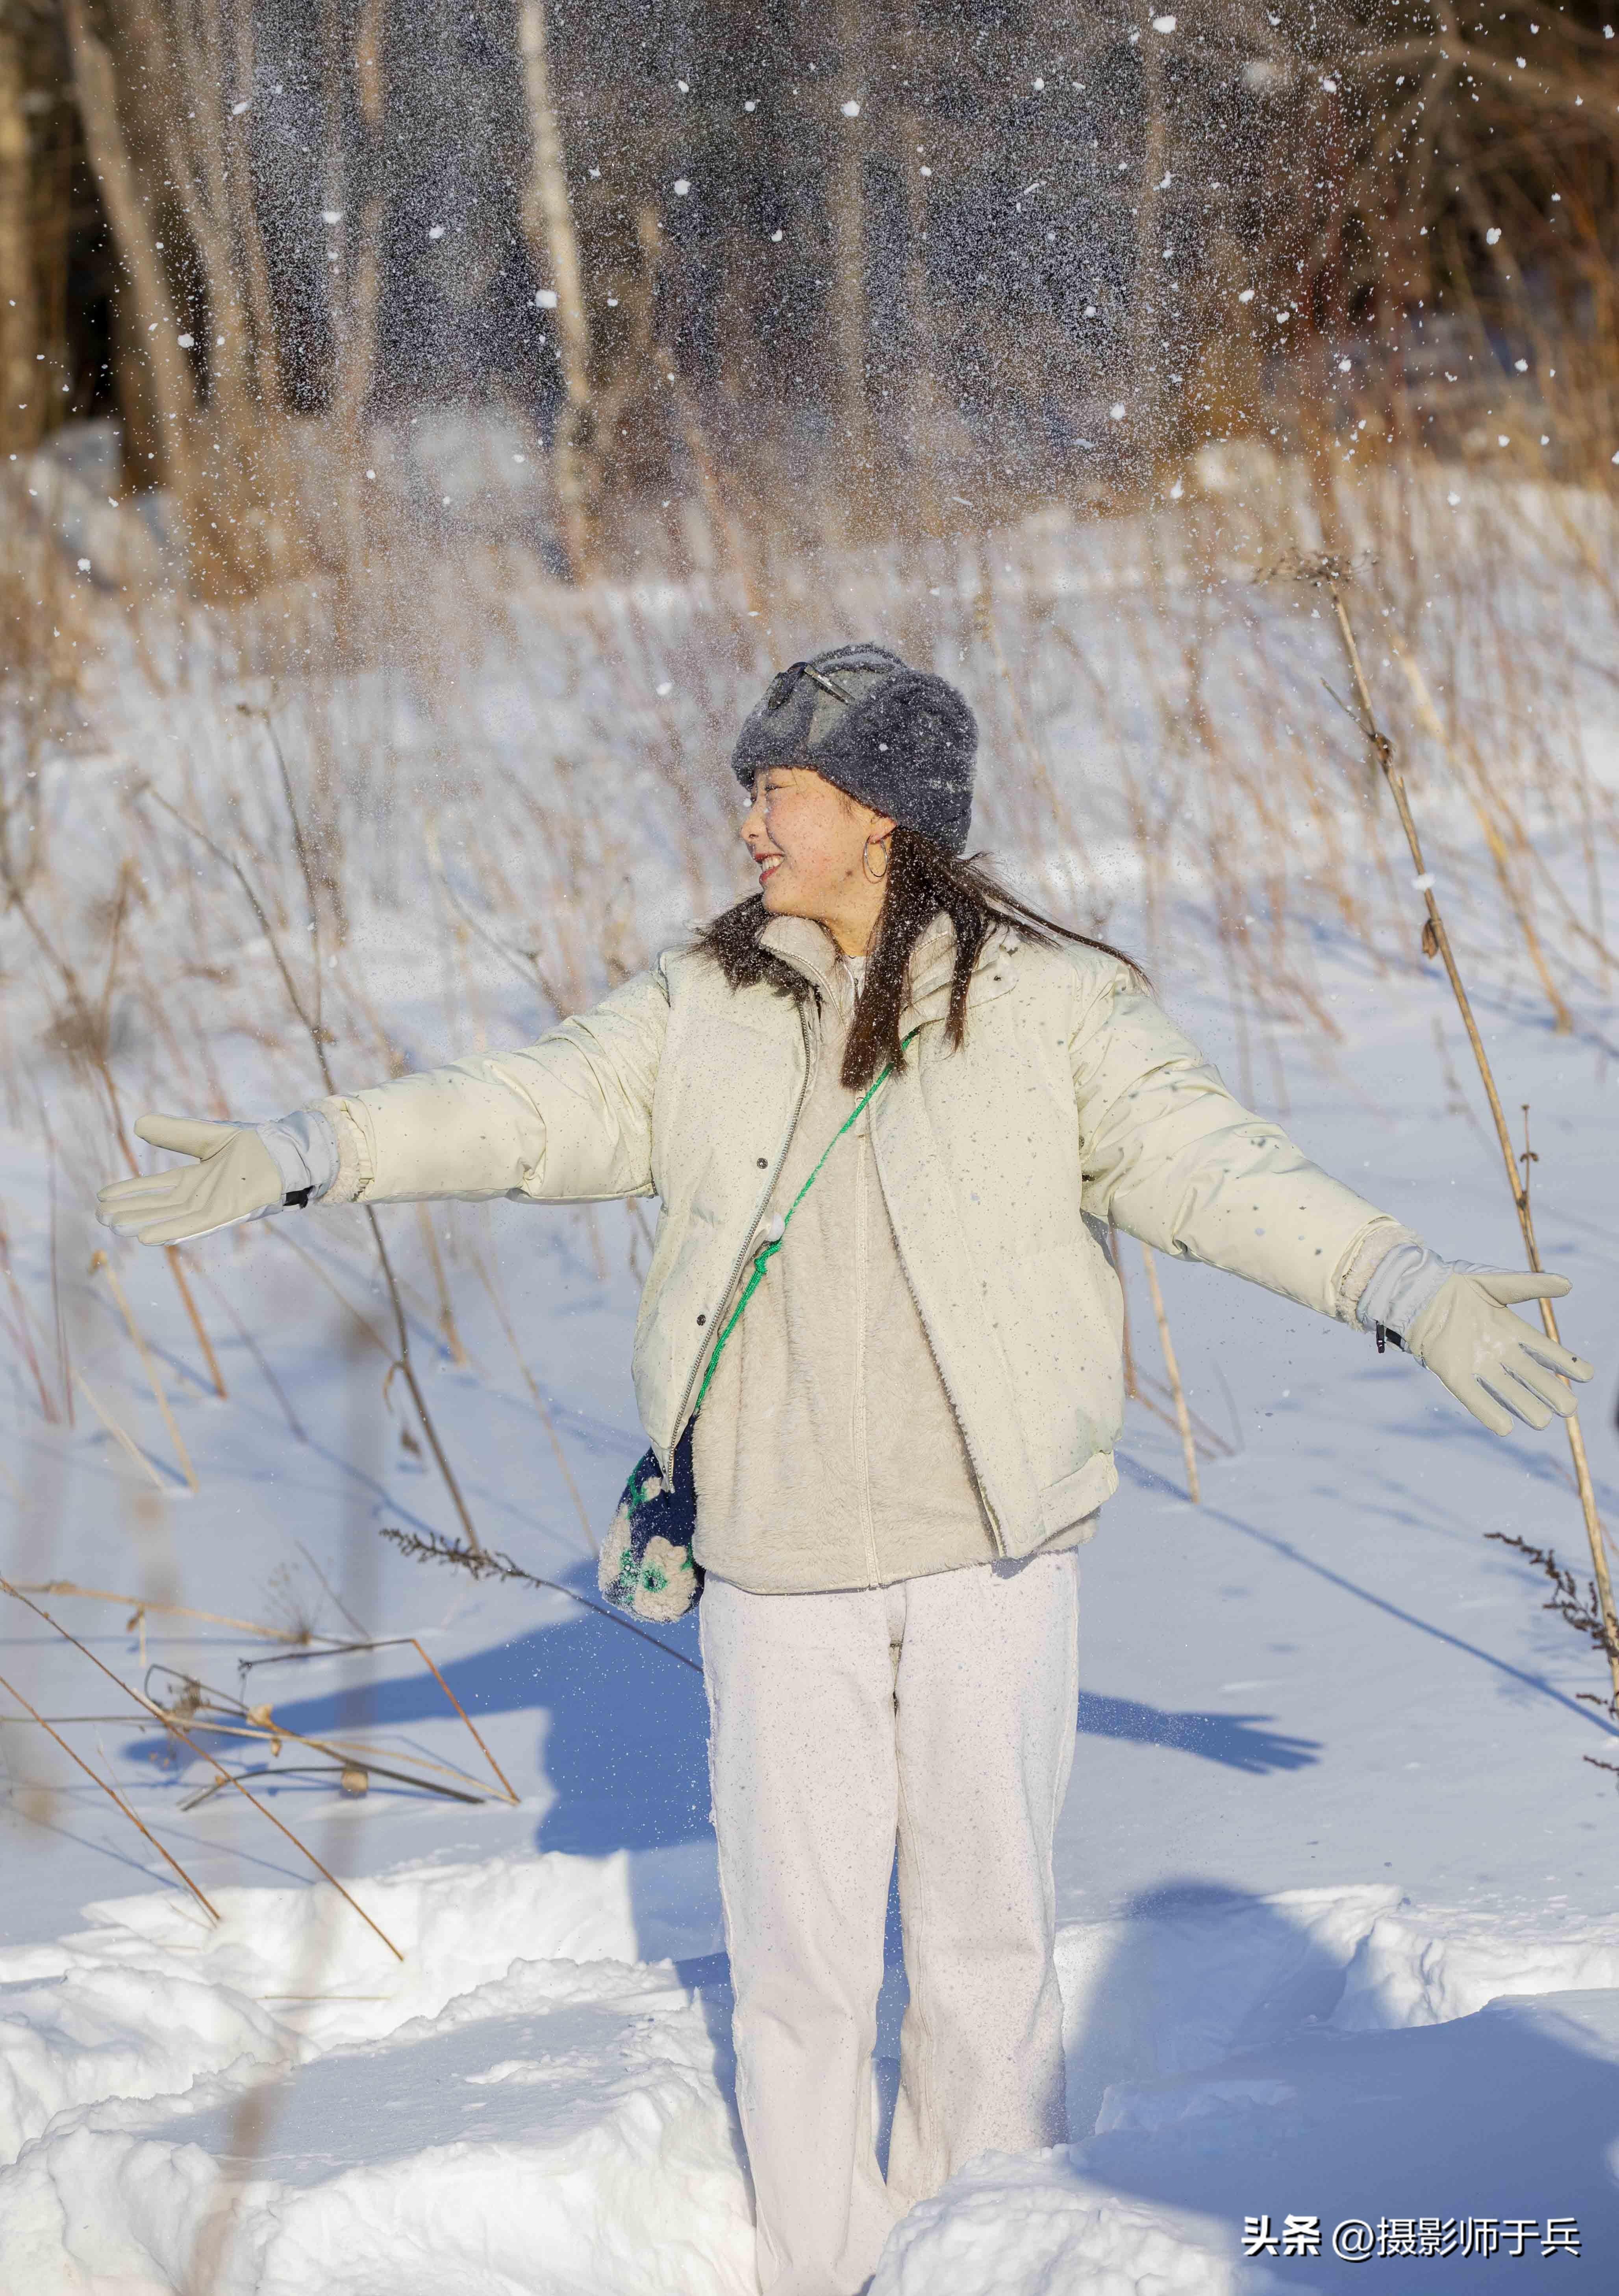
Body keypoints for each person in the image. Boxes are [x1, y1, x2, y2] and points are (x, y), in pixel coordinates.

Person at [98, 643, 1590, 2296]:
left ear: (878, 813)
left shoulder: (1051, 1006)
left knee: (982, 1951)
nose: (748, 821)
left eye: (777, 787)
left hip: (988, 1556)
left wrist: (1402, 1283)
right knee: (801, 1962)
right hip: (777, 1563)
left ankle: (996, 2249)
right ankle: (814, 2263)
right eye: (750, 788)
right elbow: (519, 1106)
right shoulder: (700, 1009)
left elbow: (1219, 1169)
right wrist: (308, 1149)